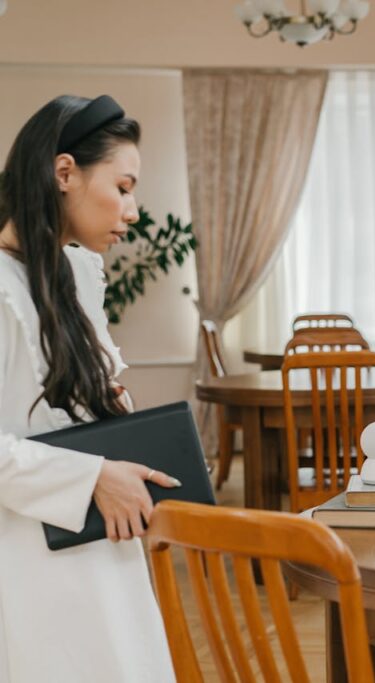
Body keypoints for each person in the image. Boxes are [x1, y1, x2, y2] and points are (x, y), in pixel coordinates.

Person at [0, 95, 177, 682]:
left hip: (104, 539)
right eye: (123, 187)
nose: (132, 210)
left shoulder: (76, 273)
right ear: (65, 172)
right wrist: (92, 476)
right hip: (27, 558)